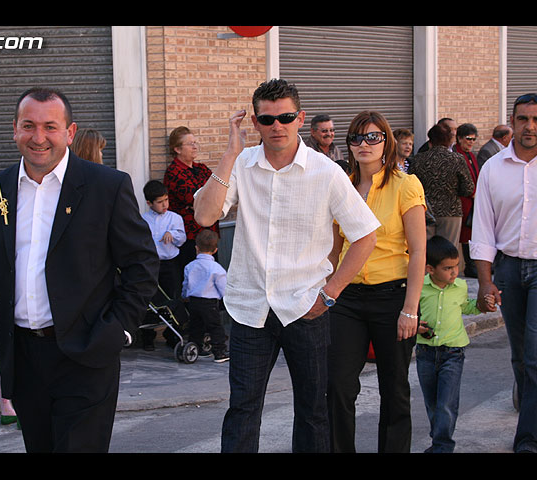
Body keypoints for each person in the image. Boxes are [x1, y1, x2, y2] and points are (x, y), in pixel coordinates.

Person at [0, 87, 159, 453]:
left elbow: (141, 264)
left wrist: (119, 331)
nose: (38, 138)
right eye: (28, 126)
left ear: (69, 132)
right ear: (14, 129)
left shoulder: (105, 186)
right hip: (23, 356)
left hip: (86, 353)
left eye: (50, 127)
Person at [194, 78, 379, 453]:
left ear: (300, 118)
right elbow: (204, 215)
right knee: (243, 409)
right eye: (266, 120)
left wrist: (330, 293)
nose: (276, 126)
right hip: (250, 310)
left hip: (306, 309)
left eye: (286, 117)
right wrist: (229, 155)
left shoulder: (325, 172)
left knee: (313, 412)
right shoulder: (242, 165)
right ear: (256, 122)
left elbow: (365, 236)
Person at [327, 110, 427, 453]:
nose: (364, 144)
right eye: (356, 137)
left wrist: (410, 309)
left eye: (373, 137)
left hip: (392, 298)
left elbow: (418, 251)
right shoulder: (343, 187)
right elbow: (334, 249)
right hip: (347, 300)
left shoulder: (406, 185)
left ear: (387, 141)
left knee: (395, 388)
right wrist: (324, 293)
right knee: (338, 386)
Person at [470, 92, 537, 453]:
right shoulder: (493, 168)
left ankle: (527, 439)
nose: (530, 127)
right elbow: (483, 228)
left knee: (535, 354)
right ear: (512, 121)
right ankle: (526, 393)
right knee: (519, 351)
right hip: (509, 268)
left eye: (536, 120)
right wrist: (484, 281)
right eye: (523, 119)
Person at [415, 235, 488, 453]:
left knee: (447, 403)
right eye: (448, 268)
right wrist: (416, 323)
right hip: (425, 353)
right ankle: (438, 439)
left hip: (453, 352)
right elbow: (411, 312)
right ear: (430, 268)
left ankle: (442, 446)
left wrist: (484, 304)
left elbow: (467, 307)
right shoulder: (419, 287)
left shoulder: (461, 287)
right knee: (432, 403)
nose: (454, 272)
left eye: (456, 266)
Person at [164, 126, 219, 278]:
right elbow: (193, 200)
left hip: (210, 232)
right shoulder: (173, 172)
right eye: (190, 143)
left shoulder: (201, 168)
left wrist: (211, 196)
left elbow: (218, 190)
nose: (195, 146)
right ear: (177, 149)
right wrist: (209, 195)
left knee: (213, 276)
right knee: (195, 277)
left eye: (195, 142)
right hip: (190, 236)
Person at [408, 122, 474, 248]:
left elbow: (411, 186)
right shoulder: (457, 159)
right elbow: (468, 188)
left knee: (425, 251)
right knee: (448, 251)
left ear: (430, 141)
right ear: (449, 141)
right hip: (451, 211)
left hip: (424, 211)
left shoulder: (418, 159)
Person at [141, 179, 186, 350]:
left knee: (172, 298)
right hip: (151, 265)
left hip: (170, 264)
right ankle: (148, 336)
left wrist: (172, 234)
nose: (164, 204)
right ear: (149, 203)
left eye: (166, 200)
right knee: (150, 299)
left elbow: (181, 239)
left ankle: (173, 334)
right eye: (160, 202)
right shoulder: (143, 220)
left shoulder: (175, 218)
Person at [182, 229, 228, 362]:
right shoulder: (216, 268)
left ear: (196, 248)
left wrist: (184, 295)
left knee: (196, 325)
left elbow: (186, 284)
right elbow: (222, 287)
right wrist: (225, 298)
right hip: (209, 303)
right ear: (215, 250)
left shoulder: (189, 266)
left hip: (193, 302)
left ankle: (195, 347)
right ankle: (220, 351)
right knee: (215, 326)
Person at [454, 123, 479, 277]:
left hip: (474, 199)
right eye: (468, 139)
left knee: (472, 233)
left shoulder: (471, 155)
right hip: (464, 200)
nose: (471, 142)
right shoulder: (457, 155)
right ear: (460, 138)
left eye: (473, 139)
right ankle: (469, 265)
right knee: (465, 234)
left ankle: (473, 264)